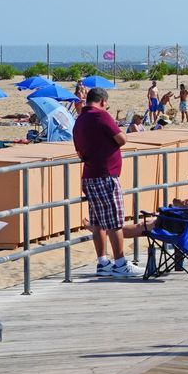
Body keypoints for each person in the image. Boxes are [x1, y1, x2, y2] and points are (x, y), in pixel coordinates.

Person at [71, 87, 133, 277]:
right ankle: (120, 263)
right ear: (103, 101)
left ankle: (102, 262)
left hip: (89, 175)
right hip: (106, 175)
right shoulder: (101, 116)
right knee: (115, 222)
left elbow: (79, 151)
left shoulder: (79, 119)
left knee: (98, 222)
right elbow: (122, 139)